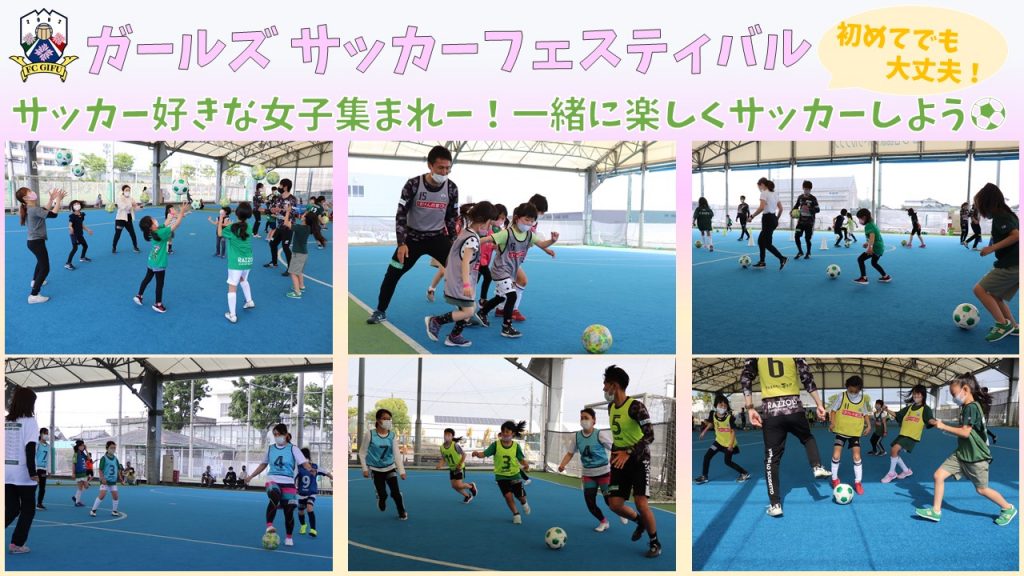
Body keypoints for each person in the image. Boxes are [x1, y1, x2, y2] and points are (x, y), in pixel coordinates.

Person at [367, 145, 459, 324]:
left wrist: (454, 242)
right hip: (411, 240)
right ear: (430, 165)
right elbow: (401, 214)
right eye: (440, 167)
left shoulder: (452, 188)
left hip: (437, 238)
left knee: (460, 271)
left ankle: (465, 311)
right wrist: (401, 243)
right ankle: (380, 311)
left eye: (448, 168)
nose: (444, 172)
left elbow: (451, 218)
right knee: (392, 274)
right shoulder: (413, 184)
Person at [915, 374, 1017, 526]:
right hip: (962, 453)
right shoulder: (967, 407)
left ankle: (1008, 508)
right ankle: (936, 511)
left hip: (976, 457)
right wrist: (939, 424)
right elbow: (965, 430)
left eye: (954, 394)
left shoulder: (971, 407)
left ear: (966, 389)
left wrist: (943, 426)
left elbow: (965, 432)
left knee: (982, 490)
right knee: (938, 476)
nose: (953, 398)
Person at [741, 358, 831, 517]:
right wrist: (819, 404)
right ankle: (816, 466)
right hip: (794, 408)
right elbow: (806, 377)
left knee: (771, 459)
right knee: (807, 438)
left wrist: (749, 408)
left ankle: (775, 504)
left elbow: (746, 378)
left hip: (771, 412)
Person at [602, 365, 661, 557]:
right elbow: (619, 435)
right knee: (614, 504)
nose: (604, 389)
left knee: (641, 503)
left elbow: (650, 435)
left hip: (638, 459)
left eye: (605, 385)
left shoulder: (636, 407)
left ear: (614, 385)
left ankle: (655, 543)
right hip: (619, 459)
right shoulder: (611, 407)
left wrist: (628, 452)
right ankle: (640, 522)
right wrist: (616, 452)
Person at [475, 203, 558, 338]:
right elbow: (487, 239)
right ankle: (506, 327)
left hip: (511, 271)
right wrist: (469, 241)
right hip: (500, 270)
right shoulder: (506, 233)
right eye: (526, 220)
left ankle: (482, 313)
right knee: (512, 296)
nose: (529, 223)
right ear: (517, 218)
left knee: (501, 297)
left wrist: (552, 241)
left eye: (532, 221)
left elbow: (542, 244)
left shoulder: (529, 235)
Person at [426, 202, 496, 347]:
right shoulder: (472, 239)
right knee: (469, 311)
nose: (490, 227)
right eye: (490, 222)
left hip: (456, 278)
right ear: (483, 221)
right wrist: (466, 284)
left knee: (467, 308)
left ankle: (454, 336)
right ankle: (436, 321)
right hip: (460, 281)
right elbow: (465, 263)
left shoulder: (467, 232)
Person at [242, 424, 315, 547]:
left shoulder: (293, 449)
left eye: (279, 434)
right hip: (273, 480)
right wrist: (250, 476)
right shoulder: (270, 449)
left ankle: (289, 537)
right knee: (274, 495)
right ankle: (269, 525)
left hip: (288, 483)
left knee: (289, 511)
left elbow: (304, 463)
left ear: (285, 435)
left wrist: (310, 469)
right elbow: (263, 464)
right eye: (275, 435)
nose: (277, 437)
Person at [557, 408, 627, 532]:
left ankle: (621, 511)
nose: (583, 420)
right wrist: (562, 465)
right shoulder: (576, 436)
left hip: (604, 472)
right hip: (588, 474)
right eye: (581, 418)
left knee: (609, 501)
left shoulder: (599, 434)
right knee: (590, 502)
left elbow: (613, 448)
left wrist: (620, 460)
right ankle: (603, 521)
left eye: (586, 418)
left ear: (594, 420)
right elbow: (570, 453)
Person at [971, 183, 1019, 342]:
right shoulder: (1008, 214)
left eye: (979, 205)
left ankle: (1002, 324)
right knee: (995, 295)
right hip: (1016, 264)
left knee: (979, 290)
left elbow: (1016, 236)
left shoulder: (1001, 216)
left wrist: (991, 248)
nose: (979, 209)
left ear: (987, 202)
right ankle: (1013, 326)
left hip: (1012, 265)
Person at [471, 421, 532, 525]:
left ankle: (524, 503)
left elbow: (521, 459)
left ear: (512, 433)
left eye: (507, 431)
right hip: (501, 476)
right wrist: (477, 454)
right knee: (508, 496)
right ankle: (516, 514)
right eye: (503, 431)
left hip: (514, 475)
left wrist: (526, 465)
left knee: (520, 496)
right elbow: (484, 454)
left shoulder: (516, 446)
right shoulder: (496, 445)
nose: (504, 433)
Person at [133, 202, 190, 313]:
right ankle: (158, 304)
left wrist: (172, 215)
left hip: (152, 260)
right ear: (151, 225)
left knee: (147, 278)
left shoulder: (154, 232)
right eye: (153, 219)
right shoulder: (160, 232)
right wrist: (181, 212)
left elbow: (166, 223)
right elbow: (175, 226)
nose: (155, 219)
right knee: (159, 284)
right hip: (159, 263)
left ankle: (139, 295)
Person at [16, 186, 67, 304]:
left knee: (40, 262)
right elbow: (53, 214)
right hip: (36, 242)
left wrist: (51, 199)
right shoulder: (33, 209)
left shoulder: (31, 208)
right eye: (29, 191)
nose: (32, 192)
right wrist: (58, 200)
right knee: (45, 268)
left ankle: (35, 281)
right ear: (25, 198)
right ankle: (34, 295)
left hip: (33, 242)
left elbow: (44, 210)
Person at [5, 386, 40, 554]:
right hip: (23, 473)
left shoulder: (5, 421)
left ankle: (16, 543)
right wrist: (33, 472)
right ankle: (17, 544)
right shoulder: (30, 421)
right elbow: (30, 447)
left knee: (11, 509)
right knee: (28, 509)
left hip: (5, 473)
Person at [359, 409, 408, 520]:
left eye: (389, 419)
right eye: (384, 418)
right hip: (376, 470)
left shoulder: (392, 436)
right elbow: (362, 453)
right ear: (378, 420)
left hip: (390, 467)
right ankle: (381, 498)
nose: (387, 421)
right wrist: (365, 469)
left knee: (396, 492)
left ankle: (402, 511)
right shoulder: (370, 434)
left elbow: (396, 454)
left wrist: (402, 471)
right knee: (383, 494)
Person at [881, 384, 935, 483]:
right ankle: (906, 471)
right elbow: (897, 414)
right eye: (914, 394)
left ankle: (891, 473)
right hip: (903, 434)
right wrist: (886, 409)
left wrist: (935, 422)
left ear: (923, 395)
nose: (915, 396)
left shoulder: (925, 409)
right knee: (895, 453)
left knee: (894, 450)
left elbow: (930, 419)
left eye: (918, 394)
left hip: (911, 436)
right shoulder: (909, 408)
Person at [828, 376, 872, 495]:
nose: (852, 393)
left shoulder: (862, 399)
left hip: (855, 433)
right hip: (841, 431)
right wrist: (832, 423)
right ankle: (834, 479)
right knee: (836, 455)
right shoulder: (841, 396)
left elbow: (865, 414)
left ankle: (858, 482)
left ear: (859, 389)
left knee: (857, 457)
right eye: (850, 390)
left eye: (855, 391)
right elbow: (833, 411)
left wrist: (869, 426)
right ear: (847, 387)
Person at [695, 394, 750, 484]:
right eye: (721, 405)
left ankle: (744, 473)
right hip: (718, 442)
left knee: (727, 462)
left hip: (729, 444)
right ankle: (704, 476)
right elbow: (711, 423)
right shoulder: (713, 414)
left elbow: (733, 432)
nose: (723, 407)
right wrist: (704, 431)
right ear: (716, 405)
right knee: (707, 456)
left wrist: (731, 445)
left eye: (725, 406)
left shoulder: (729, 417)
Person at [218, 202, 256, 323]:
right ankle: (249, 301)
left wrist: (221, 220)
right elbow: (240, 228)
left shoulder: (232, 228)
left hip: (236, 262)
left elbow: (220, 233)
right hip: (248, 260)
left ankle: (232, 315)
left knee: (232, 287)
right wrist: (230, 224)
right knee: (243, 279)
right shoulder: (249, 226)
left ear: (237, 213)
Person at [283, 207, 327, 299]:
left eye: (304, 215)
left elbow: (286, 223)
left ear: (306, 219)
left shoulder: (300, 228)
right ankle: (301, 286)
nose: (302, 215)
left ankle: (297, 292)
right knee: (299, 271)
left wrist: (287, 212)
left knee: (292, 273)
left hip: (298, 254)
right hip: (303, 253)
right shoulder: (307, 228)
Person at [747, 178, 788, 270]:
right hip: (773, 219)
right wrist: (776, 219)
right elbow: (781, 209)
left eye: (758, 186)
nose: (759, 188)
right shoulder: (774, 194)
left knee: (764, 242)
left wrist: (751, 216)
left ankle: (782, 258)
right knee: (763, 242)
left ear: (762, 184)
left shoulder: (764, 193)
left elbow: (761, 207)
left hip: (767, 219)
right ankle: (763, 262)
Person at [296, 447, 333, 537]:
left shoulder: (315, 467)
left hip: (311, 492)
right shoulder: (298, 468)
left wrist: (332, 477)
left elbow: (325, 472)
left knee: (309, 508)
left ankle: (313, 529)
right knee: (301, 511)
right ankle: (303, 525)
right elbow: (293, 478)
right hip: (301, 493)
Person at [265, 179, 299, 274]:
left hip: (288, 227)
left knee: (285, 247)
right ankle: (274, 262)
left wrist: (281, 210)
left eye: (280, 185)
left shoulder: (292, 199)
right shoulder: (278, 198)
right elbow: (272, 208)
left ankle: (291, 268)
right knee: (272, 244)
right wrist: (272, 210)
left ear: (285, 187)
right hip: (279, 226)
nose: (279, 187)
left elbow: (294, 213)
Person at [436, 428, 478, 503]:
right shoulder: (442, 447)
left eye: (449, 435)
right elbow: (444, 458)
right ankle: (467, 496)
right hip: (452, 469)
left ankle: (471, 486)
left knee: (458, 485)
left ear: (452, 436)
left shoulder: (455, 445)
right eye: (445, 434)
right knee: (454, 486)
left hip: (459, 468)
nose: (446, 436)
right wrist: (440, 464)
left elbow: (464, 455)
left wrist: (459, 464)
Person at [477, 204, 507, 305]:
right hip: (479, 258)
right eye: (500, 218)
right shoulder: (485, 227)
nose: (501, 221)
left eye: (503, 219)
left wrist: (496, 247)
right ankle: (482, 300)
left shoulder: (499, 231)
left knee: (475, 279)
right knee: (488, 277)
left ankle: (465, 298)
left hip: (487, 258)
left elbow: (499, 247)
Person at [852, 208, 892, 285]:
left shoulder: (869, 225)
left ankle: (864, 278)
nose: (859, 221)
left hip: (876, 248)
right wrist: (867, 243)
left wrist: (870, 247)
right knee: (874, 263)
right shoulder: (872, 223)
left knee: (860, 259)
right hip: (879, 247)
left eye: (859, 219)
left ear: (864, 217)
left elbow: (872, 236)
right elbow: (873, 237)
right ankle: (886, 276)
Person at [90, 441, 123, 517]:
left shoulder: (115, 459)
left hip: (113, 481)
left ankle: (114, 511)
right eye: (111, 448)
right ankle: (93, 510)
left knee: (116, 496)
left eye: (114, 448)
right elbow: (100, 469)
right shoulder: (104, 458)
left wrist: (120, 478)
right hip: (105, 481)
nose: (113, 449)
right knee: (102, 495)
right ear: (107, 448)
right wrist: (102, 478)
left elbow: (118, 469)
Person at [793, 180, 820, 259]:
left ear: (810, 189)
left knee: (807, 239)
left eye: (808, 189)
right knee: (796, 236)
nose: (806, 191)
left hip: (809, 223)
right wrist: (792, 212)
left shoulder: (813, 198)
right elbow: (796, 206)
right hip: (800, 222)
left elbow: (818, 210)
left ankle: (808, 252)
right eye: (805, 189)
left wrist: (809, 209)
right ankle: (800, 251)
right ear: (803, 188)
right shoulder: (800, 197)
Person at [65, 199, 94, 270]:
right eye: (74, 204)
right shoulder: (72, 216)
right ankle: (68, 263)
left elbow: (82, 225)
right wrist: (71, 228)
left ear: (80, 205)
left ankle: (82, 257)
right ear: (72, 207)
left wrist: (88, 230)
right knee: (75, 248)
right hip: (74, 235)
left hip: (80, 234)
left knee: (85, 246)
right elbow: (70, 225)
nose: (76, 205)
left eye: (78, 204)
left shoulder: (82, 215)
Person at [112, 184, 141, 254]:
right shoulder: (120, 198)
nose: (128, 191)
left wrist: (139, 207)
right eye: (126, 190)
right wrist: (132, 205)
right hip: (120, 219)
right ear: (123, 191)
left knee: (132, 233)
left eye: (129, 190)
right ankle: (114, 247)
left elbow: (135, 208)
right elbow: (124, 207)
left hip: (129, 218)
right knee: (118, 234)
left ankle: (135, 247)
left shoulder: (131, 199)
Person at [35, 427, 51, 510]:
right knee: (33, 487)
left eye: (47, 433)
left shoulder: (48, 446)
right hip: (36, 469)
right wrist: (34, 468)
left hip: (43, 470)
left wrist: (49, 470)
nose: (46, 435)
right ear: (41, 434)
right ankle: (27, 503)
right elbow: (34, 456)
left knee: (42, 487)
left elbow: (48, 458)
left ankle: (39, 503)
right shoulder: (37, 444)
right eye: (45, 433)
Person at [71, 440, 89, 506]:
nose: (83, 447)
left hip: (84, 473)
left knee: (86, 486)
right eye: (82, 446)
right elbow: (73, 464)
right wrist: (73, 473)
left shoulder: (83, 454)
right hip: (78, 473)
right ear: (79, 446)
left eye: (83, 446)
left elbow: (89, 458)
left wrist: (86, 450)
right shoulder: (76, 454)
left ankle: (76, 497)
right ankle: (77, 502)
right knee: (80, 487)